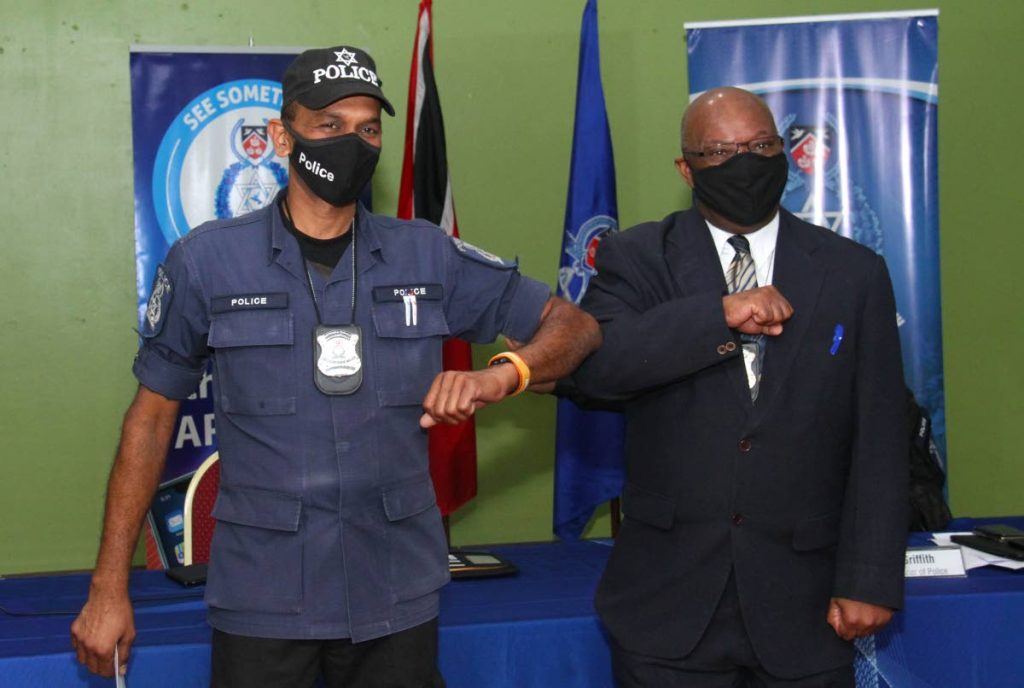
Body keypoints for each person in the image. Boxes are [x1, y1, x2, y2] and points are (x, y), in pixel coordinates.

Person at [71, 44, 601, 687]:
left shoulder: (426, 256)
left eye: (367, 128)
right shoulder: (207, 263)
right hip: (264, 597)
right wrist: (108, 589)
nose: (352, 142)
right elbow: (150, 423)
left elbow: (574, 326)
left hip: (394, 590)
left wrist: (504, 373)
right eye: (329, 126)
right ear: (280, 135)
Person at [565, 87, 908, 687]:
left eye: (761, 146)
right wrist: (717, 315)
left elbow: (880, 435)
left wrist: (870, 577)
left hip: (807, 606)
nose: (745, 163)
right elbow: (597, 368)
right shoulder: (638, 257)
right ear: (686, 168)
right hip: (668, 605)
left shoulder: (853, 272)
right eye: (721, 151)